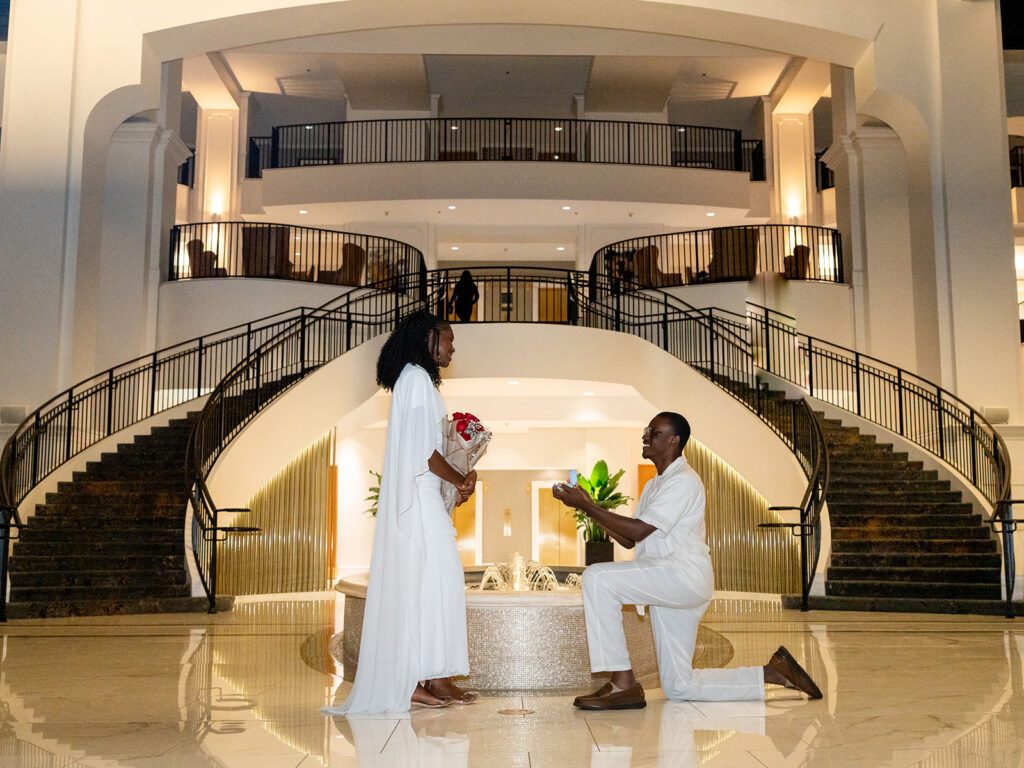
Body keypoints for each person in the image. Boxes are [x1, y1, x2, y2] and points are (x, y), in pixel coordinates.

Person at [552, 411, 823, 710]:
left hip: (681, 577)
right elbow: (630, 539)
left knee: (597, 578)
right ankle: (772, 673)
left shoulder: (683, 481)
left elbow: (639, 530)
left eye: (653, 432)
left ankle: (623, 683)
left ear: (673, 440)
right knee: (679, 686)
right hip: (667, 581)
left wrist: (588, 508)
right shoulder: (654, 485)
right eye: (647, 430)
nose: (645, 436)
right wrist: (588, 505)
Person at [323, 310, 478, 715]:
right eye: (448, 339)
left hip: (427, 496)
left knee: (439, 584)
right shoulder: (415, 379)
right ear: (429, 338)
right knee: (427, 584)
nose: (452, 347)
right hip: (420, 501)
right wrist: (459, 478)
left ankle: (438, 677)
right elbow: (422, 454)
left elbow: (429, 448)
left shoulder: (419, 381)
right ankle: (407, 682)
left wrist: (456, 477)